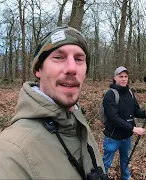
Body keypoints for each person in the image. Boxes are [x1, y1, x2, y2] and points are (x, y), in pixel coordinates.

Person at [0, 26, 105, 179]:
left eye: (79, 59)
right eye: (58, 57)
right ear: (38, 69)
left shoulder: (79, 123)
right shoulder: (10, 152)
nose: (71, 68)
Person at [102, 66, 146, 180]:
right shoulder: (110, 95)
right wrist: (133, 129)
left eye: (126, 76)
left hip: (126, 137)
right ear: (115, 78)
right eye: (121, 76)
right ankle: (101, 177)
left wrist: (145, 112)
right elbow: (114, 119)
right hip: (112, 137)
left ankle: (125, 177)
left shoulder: (130, 93)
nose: (124, 79)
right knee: (106, 162)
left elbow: (135, 111)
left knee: (125, 159)